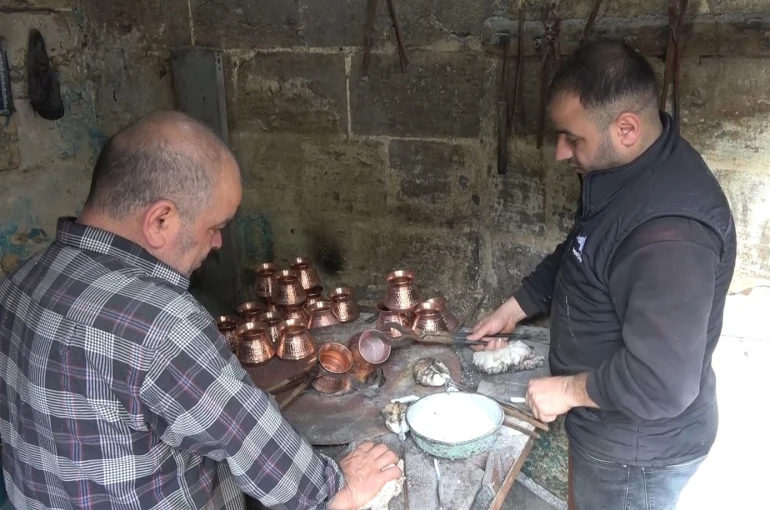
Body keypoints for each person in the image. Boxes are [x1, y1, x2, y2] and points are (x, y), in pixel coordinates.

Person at [0, 112, 401, 510]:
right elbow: (264, 453)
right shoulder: (162, 323)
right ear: (160, 220)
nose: (218, 243)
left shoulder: (17, 283)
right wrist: (341, 487)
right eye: (215, 227)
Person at [469, 40, 736, 510]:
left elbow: (661, 382)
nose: (560, 152)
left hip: (636, 456)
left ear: (626, 128)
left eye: (572, 139)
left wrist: (567, 390)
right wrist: (514, 308)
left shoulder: (670, 236)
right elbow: (583, 249)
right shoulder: (627, 173)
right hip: (605, 426)